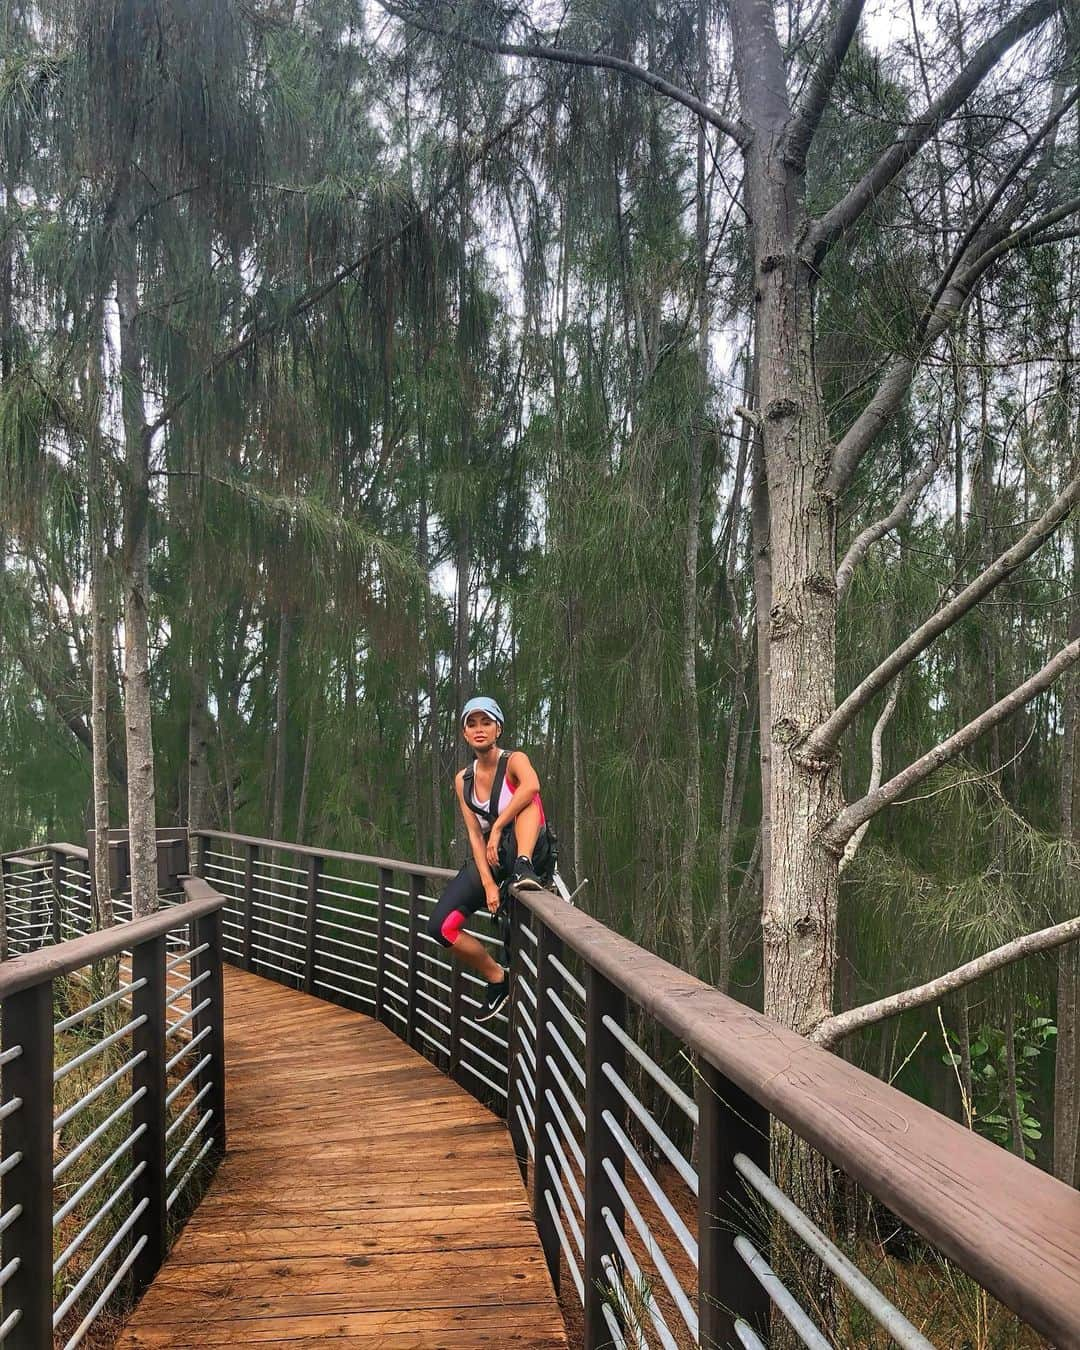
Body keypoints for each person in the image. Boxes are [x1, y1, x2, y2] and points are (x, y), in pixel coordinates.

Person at [426, 696, 554, 1021]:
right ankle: (498, 977)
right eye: (472, 723)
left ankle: (524, 868)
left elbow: (533, 786)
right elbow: (472, 833)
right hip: (493, 862)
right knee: (440, 927)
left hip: (528, 851)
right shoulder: (463, 780)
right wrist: (487, 884)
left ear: (498, 728)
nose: (479, 729)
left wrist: (497, 826)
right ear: (464, 733)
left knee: (527, 796)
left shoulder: (514, 760)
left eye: (486, 722)